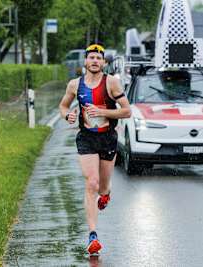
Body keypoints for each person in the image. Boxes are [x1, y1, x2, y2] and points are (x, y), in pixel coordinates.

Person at [59, 43, 131, 255]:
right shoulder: (74, 85)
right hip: (86, 138)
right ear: (85, 62)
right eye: (91, 58)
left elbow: (127, 111)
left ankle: (106, 194)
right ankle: (92, 236)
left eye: (98, 59)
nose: (94, 61)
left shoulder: (112, 83)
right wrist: (68, 115)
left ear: (104, 63)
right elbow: (63, 106)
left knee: (102, 187)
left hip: (108, 138)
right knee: (91, 183)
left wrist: (103, 112)